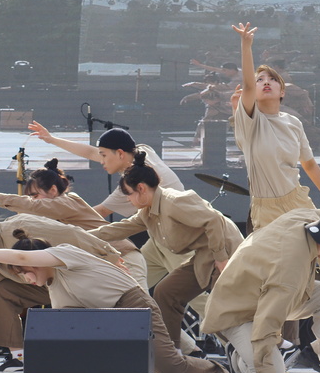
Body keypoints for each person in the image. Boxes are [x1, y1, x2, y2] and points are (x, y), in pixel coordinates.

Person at [0, 230, 229, 373]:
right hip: (108, 321)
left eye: (24, 272)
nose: (25, 279)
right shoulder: (54, 290)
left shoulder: (65, 255)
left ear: (33, 261)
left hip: (132, 305)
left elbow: (22, 253)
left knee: (171, 369)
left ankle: (224, 369)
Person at [26, 123, 205, 353]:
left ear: (120, 154)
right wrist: (52, 140)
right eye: (100, 155)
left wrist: (61, 219)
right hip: (157, 240)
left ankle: (234, 337)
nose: (100, 160)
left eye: (104, 156)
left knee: (197, 299)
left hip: (178, 239)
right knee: (131, 297)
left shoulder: (134, 184)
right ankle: (186, 349)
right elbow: (92, 151)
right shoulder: (141, 153)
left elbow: (95, 214)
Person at [231, 23, 320, 305]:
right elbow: (246, 84)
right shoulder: (249, 121)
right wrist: (246, 46)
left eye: (272, 79)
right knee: (283, 268)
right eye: (260, 80)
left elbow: (308, 163)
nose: (265, 82)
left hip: (296, 199)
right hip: (266, 208)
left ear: (283, 91)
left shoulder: (292, 122)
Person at [0, 200, 123, 373]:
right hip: (46, 286)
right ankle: (19, 358)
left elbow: (71, 232)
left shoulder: (20, 224)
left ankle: (105, 352)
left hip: (72, 280)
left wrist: (108, 254)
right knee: (1, 292)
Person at [201, 208, 320, 373]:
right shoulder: (290, 270)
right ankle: (237, 356)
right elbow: (267, 319)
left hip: (260, 293)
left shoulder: (304, 217)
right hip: (235, 313)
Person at [87, 151, 244, 351]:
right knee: (166, 293)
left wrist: (221, 258)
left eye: (128, 194)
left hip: (223, 249)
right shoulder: (147, 212)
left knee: (223, 310)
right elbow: (117, 229)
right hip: (203, 256)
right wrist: (78, 237)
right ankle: (172, 353)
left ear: (141, 188)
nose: (127, 200)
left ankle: (264, 350)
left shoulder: (173, 201)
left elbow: (213, 220)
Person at [0, 158, 139, 261]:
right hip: (109, 258)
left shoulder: (67, 202)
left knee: (135, 308)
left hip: (123, 256)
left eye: (34, 195)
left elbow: (36, 206)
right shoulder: (59, 209)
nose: (32, 201)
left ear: (53, 190)